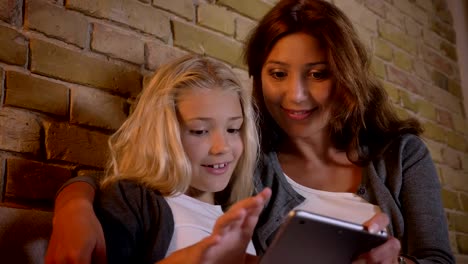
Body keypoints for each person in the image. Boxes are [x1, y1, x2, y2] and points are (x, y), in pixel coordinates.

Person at [45, 0, 455, 263]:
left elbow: (437, 258)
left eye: (318, 74)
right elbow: (141, 182)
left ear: (345, 76)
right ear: (259, 77)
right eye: (278, 74)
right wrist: (74, 205)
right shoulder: (251, 163)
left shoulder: (399, 154)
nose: (295, 95)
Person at [48, 55, 272, 264]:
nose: (222, 147)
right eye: (199, 131)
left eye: (233, 129)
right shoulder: (136, 201)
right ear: (163, 134)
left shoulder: (242, 221)